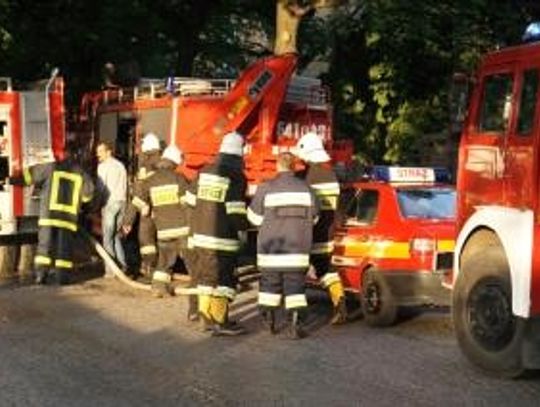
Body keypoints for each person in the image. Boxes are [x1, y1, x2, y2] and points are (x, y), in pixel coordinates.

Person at [248, 152, 319, 339]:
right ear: (294, 166)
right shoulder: (307, 189)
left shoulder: (265, 188)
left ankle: (270, 320)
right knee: (296, 288)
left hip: (270, 250)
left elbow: (254, 218)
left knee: (269, 286)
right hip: (298, 250)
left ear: (278, 166)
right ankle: (295, 323)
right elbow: (315, 218)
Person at [184, 131, 248, 336]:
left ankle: (205, 316)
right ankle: (220, 321)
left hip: (200, 236)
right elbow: (235, 208)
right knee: (224, 280)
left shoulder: (204, 171)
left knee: (206, 277)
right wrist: (243, 229)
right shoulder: (236, 176)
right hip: (223, 239)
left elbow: (189, 200)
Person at [7, 149, 94, 285]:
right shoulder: (80, 172)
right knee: (64, 249)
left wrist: (11, 179)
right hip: (68, 218)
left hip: (49, 215)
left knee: (44, 246)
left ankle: (41, 276)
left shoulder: (50, 167)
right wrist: (78, 201)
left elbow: (28, 177)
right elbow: (88, 195)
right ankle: (62, 278)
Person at [294, 132, 348, 324]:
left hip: (309, 233)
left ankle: (298, 315)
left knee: (296, 274)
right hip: (329, 233)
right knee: (326, 270)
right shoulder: (331, 176)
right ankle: (340, 305)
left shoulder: (306, 177)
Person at [129, 144, 190, 297]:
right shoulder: (178, 178)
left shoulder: (151, 180)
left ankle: (158, 288)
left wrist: (127, 221)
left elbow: (138, 201)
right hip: (182, 228)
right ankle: (200, 289)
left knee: (164, 261)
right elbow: (187, 204)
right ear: (174, 162)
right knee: (192, 259)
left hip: (163, 230)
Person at [121, 132, 161, 278]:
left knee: (146, 239)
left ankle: (151, 269)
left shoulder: (146, 166)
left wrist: (128, 220)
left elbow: (140, 194)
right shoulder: (161, 163)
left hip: (147, 210)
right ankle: (159, 270)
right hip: (161, 209)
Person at [96, 140, 127, 276]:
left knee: (107, 239)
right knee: (115, 236)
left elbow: (101, 188)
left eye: (100, 151)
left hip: (110, 204)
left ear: (109, 152)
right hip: (122, 203)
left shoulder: (103, 167)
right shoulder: (120, 165)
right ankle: (122, 266)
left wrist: (95, 205)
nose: (98, 154)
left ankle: (111, 271)